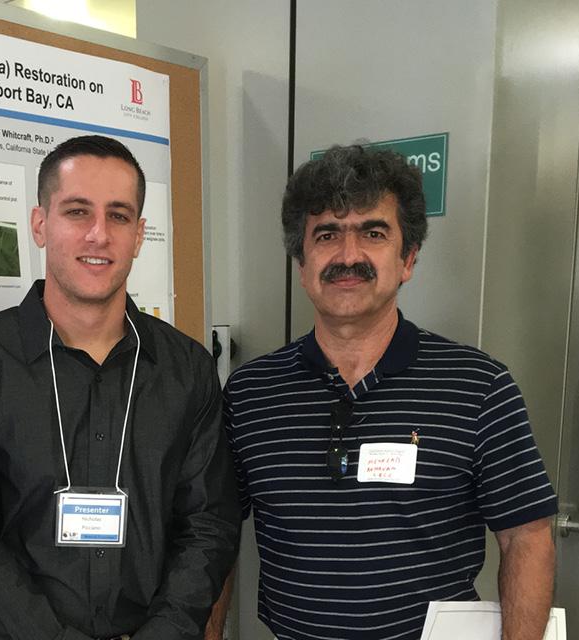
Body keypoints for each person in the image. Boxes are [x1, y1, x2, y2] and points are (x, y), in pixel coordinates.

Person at [222, 145, 557, 640]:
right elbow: (215, 534)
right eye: (327, 234)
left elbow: (527, 537)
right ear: (302, 262)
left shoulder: (479, 387)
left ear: (407, 259)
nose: (348, 255)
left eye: (373, 233)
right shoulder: (251, 394)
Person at [0, 135, 240, 640]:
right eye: (76, 211)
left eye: (118, 216)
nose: (99, 235)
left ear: (139, 235)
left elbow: (209, 524)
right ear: (40, 224)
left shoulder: (187, 370)